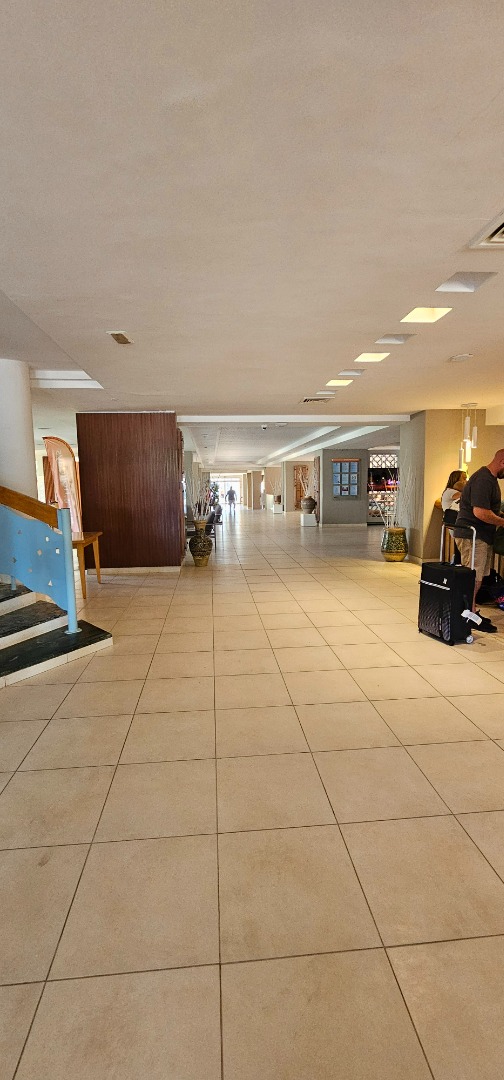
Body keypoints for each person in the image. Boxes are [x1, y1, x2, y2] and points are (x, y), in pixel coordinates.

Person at [453, 449, 504, 632]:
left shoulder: (489, 479)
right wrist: (502, 522)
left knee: (477, 577)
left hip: (480, 535)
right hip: (473, 535)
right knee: (473, 577)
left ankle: (471, 611)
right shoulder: (484, 479)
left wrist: (499, 516)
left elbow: (488, 509)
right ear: (502, 462)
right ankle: (466, 614)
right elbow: (480, 512)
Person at [441, 470, 467, 563]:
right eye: (464, 478)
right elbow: (467, 497)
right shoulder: (451, 492)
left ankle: (457, 560)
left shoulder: (448, 491)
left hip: (453, 523)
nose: (466, 481)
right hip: (455, 523)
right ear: (457, 480)